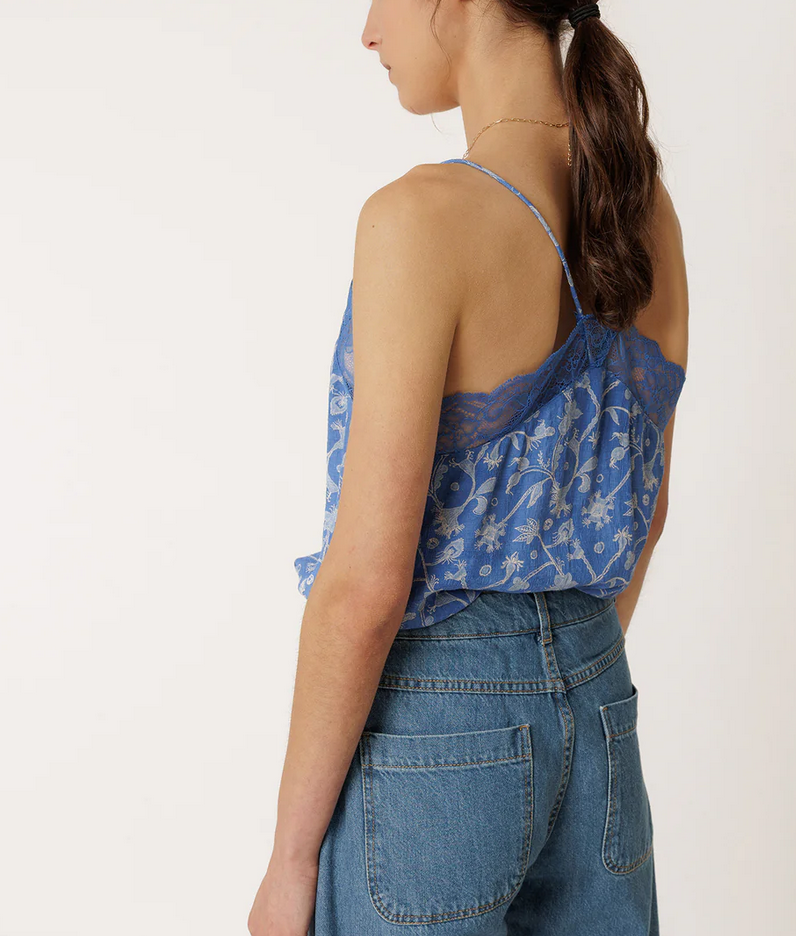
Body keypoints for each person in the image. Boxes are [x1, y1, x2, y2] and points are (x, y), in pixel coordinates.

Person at [249, 1, 688, 933]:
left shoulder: (421, 218)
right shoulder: (645, 212)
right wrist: (559, 666)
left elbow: (367, 585)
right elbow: (645, 516)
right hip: (601, 706)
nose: (367, 30)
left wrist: (290, 864)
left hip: (438, 731)